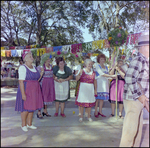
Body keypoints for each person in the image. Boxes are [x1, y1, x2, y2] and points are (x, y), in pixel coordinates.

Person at [119, 33, 149, 147]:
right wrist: (140, 96)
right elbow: (129, 78)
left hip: (139, 100)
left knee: (137, 131)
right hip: (133, 99)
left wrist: (144, 100)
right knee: (130, 132)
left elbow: (143, 82)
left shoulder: (145, 60)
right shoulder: (139, 60)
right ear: (145, 47)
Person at [15, 51, 44, 132]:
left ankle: (29, 124)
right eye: (30, 56)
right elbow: (21, 81)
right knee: (25, 108)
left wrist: (41, 73)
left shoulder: (34, 67)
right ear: (25, 59)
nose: (32, 57)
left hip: (34, 90)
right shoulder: (22, 68)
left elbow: (37, 79)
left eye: (32, 56)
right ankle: (23, 125)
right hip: (26, 89)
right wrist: (23, 94)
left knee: (32, 107)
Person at [37, 53, 55, 119]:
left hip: (50, 84)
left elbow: (52, 75)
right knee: (41, 98)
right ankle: (39, 112)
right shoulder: (40, 67)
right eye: (47, 59)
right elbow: (37, 77)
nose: (48, 60)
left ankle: (45, 111)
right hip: (43, 84)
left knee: (46, 98)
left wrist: (55, 78)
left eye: (49, 58)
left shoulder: (50, 66)